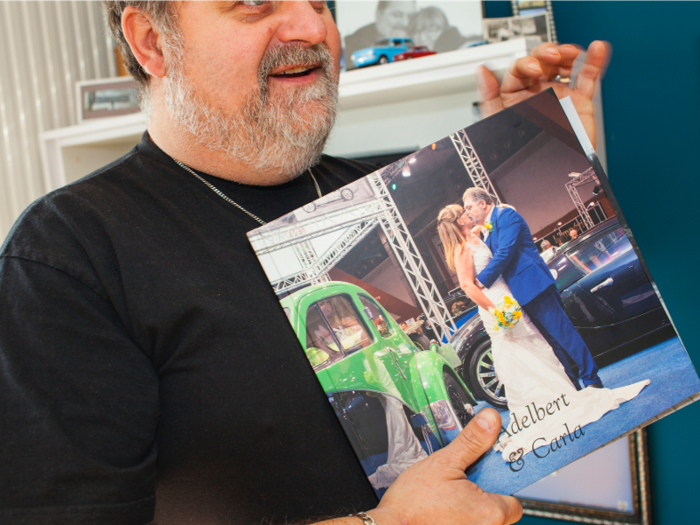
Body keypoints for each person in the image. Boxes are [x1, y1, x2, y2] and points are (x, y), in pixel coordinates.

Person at [0, 0, 609, 520]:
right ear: (154, 42)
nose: (311, 28)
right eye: (255, 1)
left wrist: (560, 136)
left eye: (319, 1)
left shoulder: (380, 181)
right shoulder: (68, 253)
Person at [436, 205, 649, 462]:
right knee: (518, 353)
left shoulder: (479, 234)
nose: (468, 213)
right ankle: (543, 407)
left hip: (513, 296)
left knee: (540, 345)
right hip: (498, 303)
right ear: (458, 221)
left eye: (469, 208)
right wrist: (495, 309)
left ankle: (564, 394)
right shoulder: (461, 250)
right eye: (463, 211)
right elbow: (468, 286)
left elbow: (501, 240)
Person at [463, 187, 603, 389]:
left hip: (534, 285)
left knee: (564, 333)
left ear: (482, 203)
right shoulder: (489, 228)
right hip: (519, 293)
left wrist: (482, 280)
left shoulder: (507, 214)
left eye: (469, 207)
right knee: (550, 343)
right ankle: (572, 386)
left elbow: (505, 252)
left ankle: (591, 379)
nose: (468, 212)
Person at [344, 0, 415, 70]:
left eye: (411, 17)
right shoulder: (353, 45)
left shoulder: (418, 39)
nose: (405, 23)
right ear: (379, 15)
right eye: (397, 15)